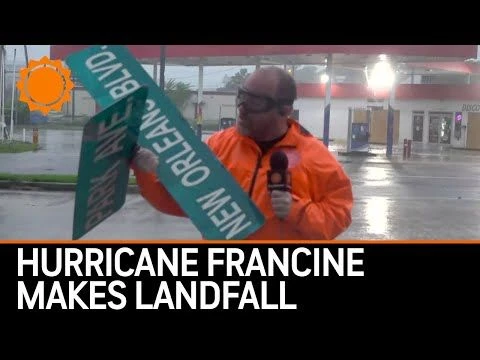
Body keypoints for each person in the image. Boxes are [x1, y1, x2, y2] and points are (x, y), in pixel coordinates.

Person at [130, 66, 353, 240]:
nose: (242, 108)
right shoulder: (218, 146)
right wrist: (146, 174)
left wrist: (298, 210)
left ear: (285, 109)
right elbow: (183, 204)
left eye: (254, 102)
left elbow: (339, 216)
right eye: (241, 97)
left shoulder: (317, 158)